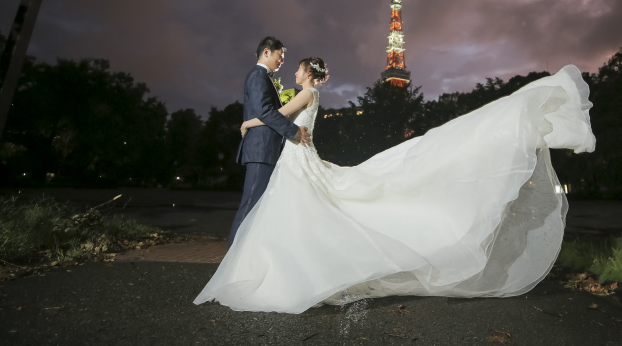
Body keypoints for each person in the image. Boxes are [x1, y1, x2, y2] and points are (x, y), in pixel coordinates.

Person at [196, 62, 595, 314]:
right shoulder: (314, 92)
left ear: (308, 75)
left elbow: (277, 115)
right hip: (302, 155)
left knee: (296, 209)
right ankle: (297, 260)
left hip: (297, 159)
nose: (294, 73)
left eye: (299, 70)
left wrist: (249, 122)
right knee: (306, 208)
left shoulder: (304, 92)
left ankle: (286, 267)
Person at [227, 37, 311, 249]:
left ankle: (245, 254)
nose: (282, 60)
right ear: (266, 52)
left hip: (266, 149)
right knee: (250, 205)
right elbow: (265, 111)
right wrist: (294, 132)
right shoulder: (258, 75)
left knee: (258, 207)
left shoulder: (264, 77)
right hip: (260, 150)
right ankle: (232, 256)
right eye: (279, 54)